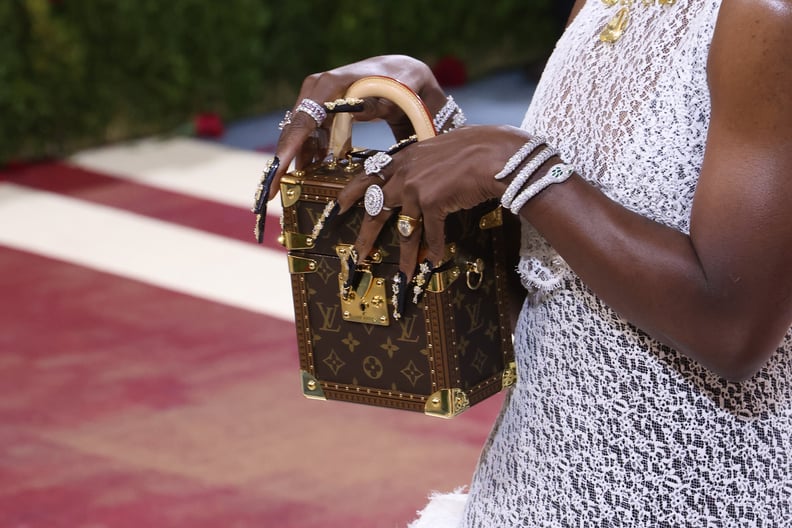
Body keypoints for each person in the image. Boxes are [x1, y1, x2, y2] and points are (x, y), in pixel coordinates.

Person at [265, 0, 792, 525]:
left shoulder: (766, 16)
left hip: (694, 497)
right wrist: (431, 119)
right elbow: (549, 273)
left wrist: (507, 160)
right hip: (525, 489)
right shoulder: (599, 5)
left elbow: (734, 330)